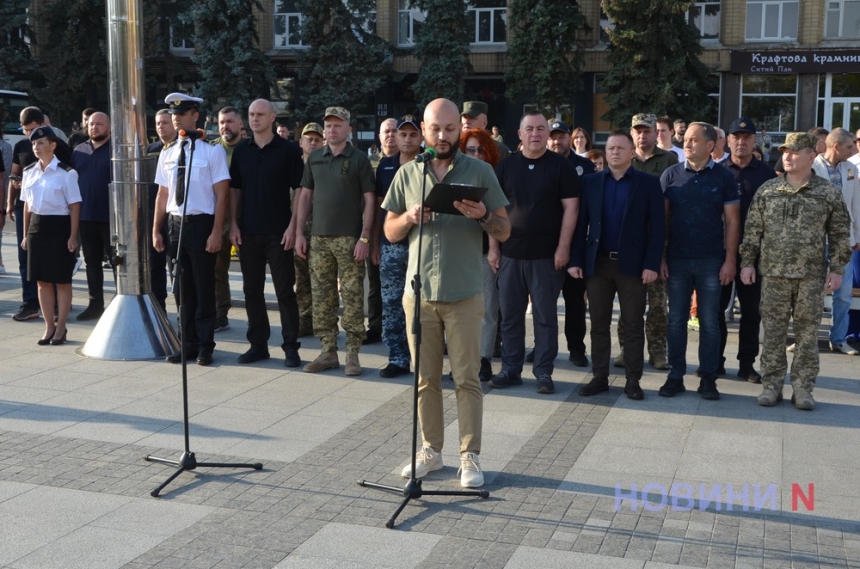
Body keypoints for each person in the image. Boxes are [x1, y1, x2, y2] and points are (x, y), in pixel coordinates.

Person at [382, 97, 510, 488]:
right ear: (423, 129)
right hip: (418, 293)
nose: (442, 136)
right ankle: (430, 451)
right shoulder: (408, 173)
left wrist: (483, 216)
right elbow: (389, 231)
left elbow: (504, 230)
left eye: (450, 129)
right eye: (435, 129)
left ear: (462, 128)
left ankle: (469, 457)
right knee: (425, 378)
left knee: (468, 379)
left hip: (464, 292)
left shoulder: (480, 171)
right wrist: (408, 217)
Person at [740, 133, 852, 410]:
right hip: (774, 275)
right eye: (785, 151)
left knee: (806, 336)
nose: (787, 157)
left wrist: (837, 270)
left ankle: (803, 390)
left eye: (794, 152)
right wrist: (746, 263)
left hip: (810, 277)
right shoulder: (768, 190)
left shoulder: (826, 192)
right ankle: (772, 386)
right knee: (774, 334)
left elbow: (840, 234)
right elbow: (753, 231)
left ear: (811, 156)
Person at [488, 111, 579, 395]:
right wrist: (493, 248)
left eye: (542, 129)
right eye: (530, 129)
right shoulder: (506, 166)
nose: (536, 134)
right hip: (510, 254)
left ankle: (543, 372)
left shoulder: (560, 167)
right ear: (520, 134)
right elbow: (493, 210)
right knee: (511, 316)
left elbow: (571, 208)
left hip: (546, 256)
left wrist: (563, 248)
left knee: (545, 317)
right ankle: (510, 369)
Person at [570, 131, 665, 400]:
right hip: (598, 264)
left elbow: (657, 228)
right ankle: (599, 376)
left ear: (632, 152)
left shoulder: (647, 184)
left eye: (621, 148)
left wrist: (651, 264)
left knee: (633, 324)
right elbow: (580, 226)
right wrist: (576, 259)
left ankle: (633, 380)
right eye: (610, 148)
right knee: (599, 324)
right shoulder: (590, 183)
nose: (614, 152)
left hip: (633, 267)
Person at [660, 122, 740, 401]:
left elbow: (732, 222)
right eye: (687, 139)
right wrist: (661, 257)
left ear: (710, 145)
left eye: (695, 140)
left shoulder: (724, 177)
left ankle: (708, 378)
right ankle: (675, 376)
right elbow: (662, 221)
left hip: (711, 260)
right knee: (676, 321)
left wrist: (730, 260)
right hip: (678, 259)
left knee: (709, 321)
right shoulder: (670, 175)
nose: (688, 144)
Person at [295, 106, 376, 376]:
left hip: (350, 239)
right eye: (328, 125)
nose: (331, 129)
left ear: (348, 129)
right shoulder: (315, 158)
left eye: (337, 125)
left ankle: (352, 354)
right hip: (319, 239)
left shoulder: (359, 159)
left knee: (352, 298)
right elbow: (304, 197)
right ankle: (328, 351)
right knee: (321, 297)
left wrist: (365, 236)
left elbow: (369, 200)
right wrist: (298, 234)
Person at [152, 93, 230, 366]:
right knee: (181, 289)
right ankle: (187, 344)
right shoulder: (168, 152)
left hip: (201, 224)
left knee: (203, 287)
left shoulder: (212, 151)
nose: (176, 118)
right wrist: (156, 230)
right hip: (175, 226)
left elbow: (222, 195)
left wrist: (216, 231)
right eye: (174, 114)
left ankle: (206, 346)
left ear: (195, 116)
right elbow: (163, 194)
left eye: (181, 114)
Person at [229, 99, 304, 367]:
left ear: (273, 117)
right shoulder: (241, 151)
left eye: (260, 114)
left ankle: (290, 347)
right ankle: (258, 345)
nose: (254, 118)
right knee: (252, 291)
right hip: (248, 232)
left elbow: (299, 191)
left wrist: (294, 227)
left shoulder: (287, 150)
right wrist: (233, 224)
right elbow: (235, 190)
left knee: (285, 292)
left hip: (279, 232)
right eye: (251, 114)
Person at [618, 113, 679, 371]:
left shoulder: (669, 160)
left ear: (657, 133)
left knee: (657, 303)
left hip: (657, 240)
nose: (642, 136)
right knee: (628, 302)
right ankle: (626, 349)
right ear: (632, 134)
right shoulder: (624, 160)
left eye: (647, 131)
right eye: (637, 132)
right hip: (628, 242)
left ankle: (657, 351)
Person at [720, 117, 777, 382]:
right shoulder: (718, 170)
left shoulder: (767, 174)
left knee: (751, 313)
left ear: (754, 140)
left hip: (754, 256)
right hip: (719, 252)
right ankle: (715, 361)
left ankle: (746, 364)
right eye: (736, 137)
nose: (741, 142)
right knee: (714, 310)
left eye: (746, 137)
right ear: (728, 140)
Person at [7, 107, 73, 322]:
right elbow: (14, 174)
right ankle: (30, 302)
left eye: (32, 130)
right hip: (28, 207)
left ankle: (56, 306)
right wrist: (9, 201)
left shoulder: (59, 147)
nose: (29, 136)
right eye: (25, 131)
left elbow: (69, 183)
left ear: (43, 125)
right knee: (26, 260)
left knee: (54, 263)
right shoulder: (21, 146)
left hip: (55, 215)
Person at [20, 126, 81, 345]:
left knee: (62, 281)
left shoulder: (67, 173)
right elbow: (27, 205)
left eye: (41, 143)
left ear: (53, 145)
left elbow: (74, 206)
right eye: (34, 143)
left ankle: (61, 326)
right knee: (42, 281)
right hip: (37, 227)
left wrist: (73, 236)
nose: (36, 147)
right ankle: (49, 327)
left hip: (60, 227)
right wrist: (26, 233)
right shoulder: (29, 172)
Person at [374, 115, 424, 378]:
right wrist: (373, 243)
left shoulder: (429, 165)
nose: (406, 139)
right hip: (391, 246)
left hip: (421, 245)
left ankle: (424, 358)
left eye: (412, 134)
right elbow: (378, 209)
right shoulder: (385, 166)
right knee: (392, 302)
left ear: (421, 137)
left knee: (423, 305)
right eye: (402, 134)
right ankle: (398, 357)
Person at [545, 120, 594, 368]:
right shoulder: (541, 164)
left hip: (576, 246)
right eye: (553, 137)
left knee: (575, 303)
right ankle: (544, 348)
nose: (557, 141)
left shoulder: (585, 167)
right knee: (546, 303)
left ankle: (577, 348)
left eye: (561, 136)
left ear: (569, 138)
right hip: (545, 246)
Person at [811, 127, 860, 356]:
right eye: (850, 145)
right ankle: (807, 338)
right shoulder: (812, 167)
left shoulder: (851, 169)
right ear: (837, 146)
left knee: (843, 293)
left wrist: (857, 236)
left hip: (844, 241)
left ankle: (838, 339)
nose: (854, 149)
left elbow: (856, 206)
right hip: (817, 240)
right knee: (812, 292)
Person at [460, 127, 502, 382]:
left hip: (486, 252)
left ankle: (484, 359)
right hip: (460, 252)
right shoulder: (455, 175)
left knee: (487, 310)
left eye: (480, 150)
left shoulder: (491, 177)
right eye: (470, 150)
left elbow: (497, 217)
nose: (476, 154)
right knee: (461, 311)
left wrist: (494, 250)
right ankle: (463, 359)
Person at [73, 111, 114, 322]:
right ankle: (95, 304)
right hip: (86, 217)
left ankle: (119, 305)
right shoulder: (79, 151)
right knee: (92, 263)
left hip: (111, 218)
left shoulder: (117, 151)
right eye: (91, 124)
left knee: (118, 262)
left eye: (99, 124)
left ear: (108, 126)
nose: (94, 127)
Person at [210, 106, 246, 332]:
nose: (225, 126)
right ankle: (220, 313)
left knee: (252, 271)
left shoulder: (249, 149)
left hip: (248, 215)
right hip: (220, 217)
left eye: (230, 121)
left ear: (241, 125)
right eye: (222, 122)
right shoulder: (213, 150)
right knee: (217, 268)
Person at [364, 119, 399, 345]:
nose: (391, 135)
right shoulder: (371, 163)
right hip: (378, 232)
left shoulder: (411, 161)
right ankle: (375, 326)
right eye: (386, 131)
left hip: (402, 233)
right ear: (379, 136)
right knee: (375, 285)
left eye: (395, 131)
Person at [294, 122, 324, 337]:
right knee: (301, 278)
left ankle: (322, 319)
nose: (312, 142)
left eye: (316, 139)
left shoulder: (325, 166)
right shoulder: (293, 167)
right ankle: (305, 318)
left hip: (321, 231)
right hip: (297, 230)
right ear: (301, 142)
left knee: (322, 280)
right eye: (309, 139)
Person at [144, 109, 175, 311]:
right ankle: (158, 309)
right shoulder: (150, 150)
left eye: (165, 122)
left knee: (176, 267)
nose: (161, 126)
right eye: (158, 123)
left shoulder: (183, 148)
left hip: (175, 215)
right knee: (155, 266)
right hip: (153, 214)